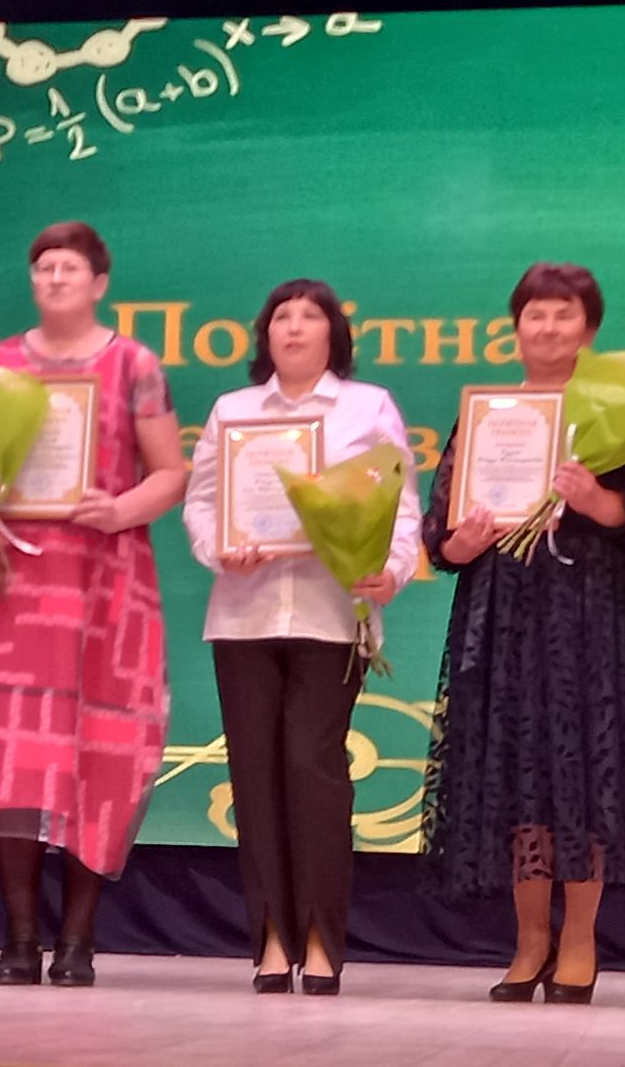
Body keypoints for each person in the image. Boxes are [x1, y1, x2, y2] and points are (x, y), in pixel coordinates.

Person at [0, 220, 186, 988]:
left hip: (104, 584)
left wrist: (121, 509)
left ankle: (78, 940)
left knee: (96, 756)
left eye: (69, 268)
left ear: (99, 283)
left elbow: (170, 472)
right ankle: (18, 938)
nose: (54, 279)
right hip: (7, 585)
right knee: (10, 755)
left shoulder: (134, 364)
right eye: (43, 267)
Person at [421, 262, 625, 1005]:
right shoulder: (487, 413)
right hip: (506, 608)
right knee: (517, 770)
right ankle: (529, 939)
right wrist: (464, 540)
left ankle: (580, 941)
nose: (549, 327)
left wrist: (597, 501)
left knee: (585, 771)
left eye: (565, 314)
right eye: (535, 313)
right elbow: (441, 537)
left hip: (592, 609)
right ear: (516, 327)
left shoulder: (620, 409)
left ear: (589, 328)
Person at [181, 278, 420, 995]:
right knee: (254, 776)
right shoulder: (233, 411)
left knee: (313, 772)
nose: (292, 327)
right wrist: (218, 548)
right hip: (245, 613)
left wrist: (391, 569)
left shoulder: (367, 407)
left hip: (329, 613)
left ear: (332, 334)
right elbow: (202, 501)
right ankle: (271, 939)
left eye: (309, 317)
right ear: (265, 335)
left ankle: (321, 938)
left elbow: (399, 501)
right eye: (280, 317)